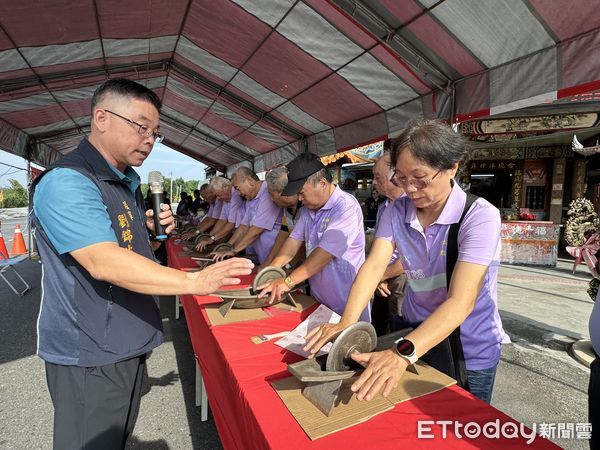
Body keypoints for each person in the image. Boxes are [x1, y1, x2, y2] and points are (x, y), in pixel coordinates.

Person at [31, 78, 253, 450]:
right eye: (140, 127)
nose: (149, 139)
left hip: (124, 341)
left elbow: (126, 248)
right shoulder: (69, 181)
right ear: (101, 118)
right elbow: (102, 261)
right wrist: (195, 282)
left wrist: (147, 232)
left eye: (155, 132)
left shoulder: (123, 182)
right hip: (90, 352)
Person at [304, 119, 509, 404]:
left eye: (420, 179)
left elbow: (460, 302)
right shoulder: (396, 210)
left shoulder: (478, 216)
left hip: (467, 349)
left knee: (459, 429)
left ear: (452, 167)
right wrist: (347, 324)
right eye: (401, 178)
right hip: (414, 339)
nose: (410, 189)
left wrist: (402, 353)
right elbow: (374, 265)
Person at [259, 152, 368, 321]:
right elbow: (293, 242)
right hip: (319, 300)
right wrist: (271, 272)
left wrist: (287, 282)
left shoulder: (345, 207)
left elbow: (324, 254)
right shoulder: (309, 210)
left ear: (322, 184)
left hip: (346, 303)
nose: (300, 199)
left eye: (302, 193)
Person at [211, 167, 282, 264]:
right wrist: (229, 246)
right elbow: (243, 227)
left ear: (250, 181)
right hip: (257, 254)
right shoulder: (251, 198)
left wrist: (234, 250)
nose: (238, 194)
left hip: (273, 257)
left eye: (237, 188)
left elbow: (257, 229)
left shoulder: (267, 192)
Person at [369, 152, 407, 336]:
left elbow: (410, 257)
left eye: (378, 177)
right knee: (379, 325)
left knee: (399, 328)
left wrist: (379, 276)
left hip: (401, 276)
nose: (374, 183)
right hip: (382, 276)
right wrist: (377, 278)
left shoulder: (412, 204)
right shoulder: (386, 207)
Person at [262, 166, 304, 268]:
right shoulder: (287, 208)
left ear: (284, 194)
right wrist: (267, 263)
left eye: (272, 195)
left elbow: (303, 244)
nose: (271, 199)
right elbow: (283, 235)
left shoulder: (306, 206)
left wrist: (287, 266)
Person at [194, 176, 245, 252]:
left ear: (226, 187)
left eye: (218, 195)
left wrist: (212, 238)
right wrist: (209, 237)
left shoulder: (235, 195)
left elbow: (231, 224)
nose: (218, 198)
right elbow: (222, 220)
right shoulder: (225, 198)